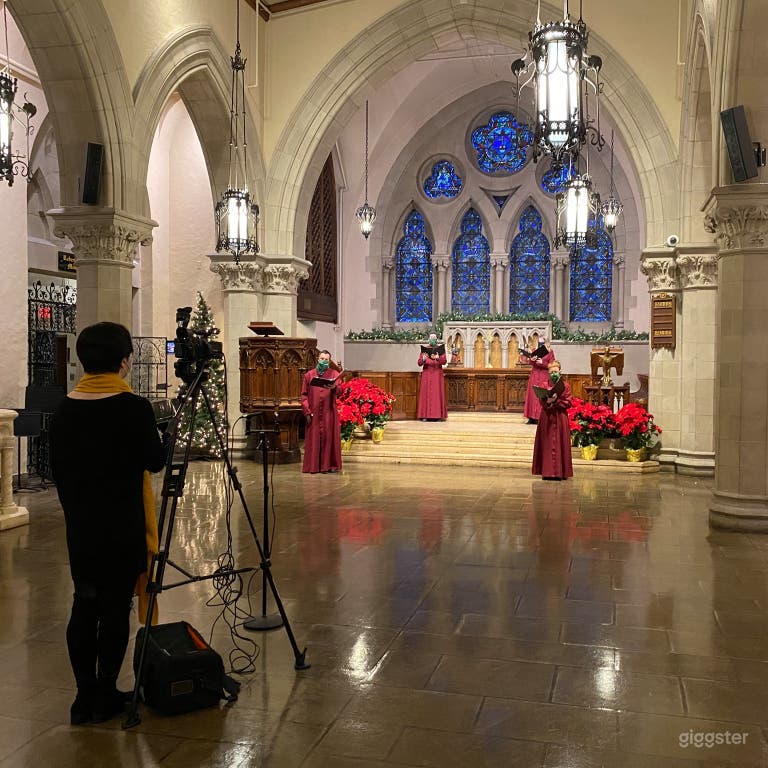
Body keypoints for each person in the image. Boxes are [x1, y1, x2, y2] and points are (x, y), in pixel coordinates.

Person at [49, 322, 166, 725]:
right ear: (123, 361)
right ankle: (106, 692)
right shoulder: (133, 407)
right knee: (115, 610)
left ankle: (83, 696)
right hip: (123, 526)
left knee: (84, 605)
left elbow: (58, 472)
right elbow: (155, 460)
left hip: (82, 528)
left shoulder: (65, 409)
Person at [301, 350, 343, 473]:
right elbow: (303, 396)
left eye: (326, 359)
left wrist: (334, 387)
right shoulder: (309, 375)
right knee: (313, 440)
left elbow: (340, 391)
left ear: (329, 361)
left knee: (328, 438)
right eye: (322, 359)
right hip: (313, 412)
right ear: (317, 359)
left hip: (328, 412)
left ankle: (328, 466)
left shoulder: (334, 374)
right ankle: (313, 467)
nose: (323, 361)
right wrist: (307, 411)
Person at [532, 360, 574, 481]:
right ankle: (547, 471)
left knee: (560, 443)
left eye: (556, 371)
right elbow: (541, 400)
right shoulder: (545, 385)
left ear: (560, 371)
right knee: (547, 443)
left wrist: (556, 401)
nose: (553, 374)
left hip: (560, 417)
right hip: (547, 417)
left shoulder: (565, 386)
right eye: (551, 372)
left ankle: (560, 472)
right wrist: (548, 401)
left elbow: (569, 401)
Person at [520, 336, 555, 424]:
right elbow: (531, 363)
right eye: (539, 343)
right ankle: (531, 417)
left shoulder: (550, 352)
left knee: (541, 396)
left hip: (544, 376)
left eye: (542, 343)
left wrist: (542, 363)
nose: (540, 344)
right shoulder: (534, 350)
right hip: (535, 375)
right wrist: (531, 360)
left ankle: (540, 417)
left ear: (545, 343)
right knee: (532, 396)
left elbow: (552, 365)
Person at [417, 332, 447, 421]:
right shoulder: (425, 349)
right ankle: (425, 415)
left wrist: (438, 358)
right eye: (431, 338)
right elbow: (419, 363)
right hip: (427, 374)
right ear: (429, 339)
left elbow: (444, 361)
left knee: (436, 395)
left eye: (434, 338)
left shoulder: (440, 349)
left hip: (437, 374)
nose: (432, 340)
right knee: (426, 394)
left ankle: (437, 416)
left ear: (436, 339)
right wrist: (423, 359)